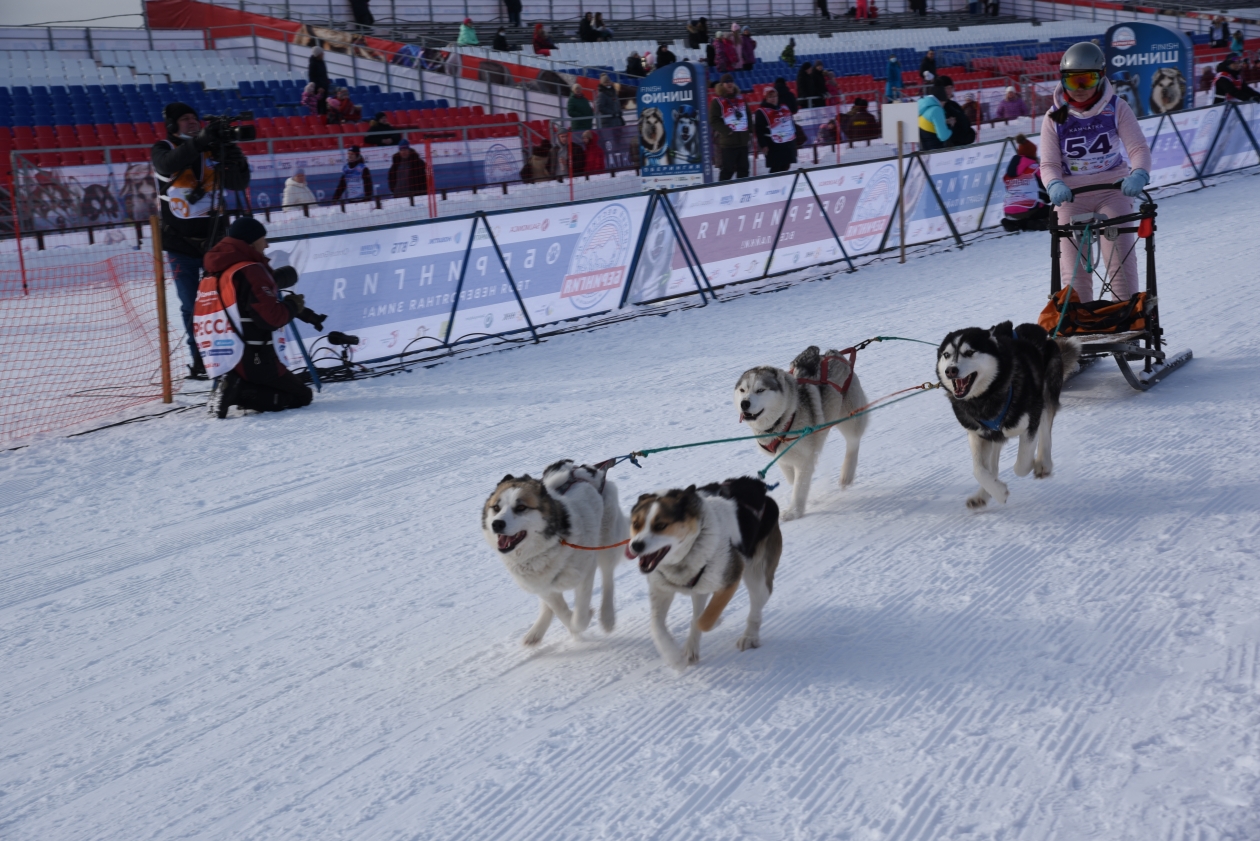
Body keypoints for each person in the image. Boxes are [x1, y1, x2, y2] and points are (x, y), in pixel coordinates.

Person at [1040, 42, 1153, 302]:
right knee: (1073, 267)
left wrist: (1138, 174)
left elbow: (1138, 148)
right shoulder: (1055, 116)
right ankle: (1079, 323)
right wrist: (1054, 184)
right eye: (1072, 81)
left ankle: (1125, 317)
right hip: (1072, 193)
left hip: (1112, 188)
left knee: (1119, 259)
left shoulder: (1116, 107)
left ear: (1101, 77)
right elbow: (1048, 164)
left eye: (1087, 80)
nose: (1079, 89)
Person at [152, 102, 250, 380]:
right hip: (179, 243)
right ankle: (198, 359)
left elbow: (238, 183)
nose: (192, 122)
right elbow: (167, 165)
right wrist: (201, 141)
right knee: (190, 304)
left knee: (223, 300)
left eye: (195, 118)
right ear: (172, 126)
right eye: (184, 119)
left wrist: (236, 157)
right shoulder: (163, 148)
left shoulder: (211, 148)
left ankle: (225, 356)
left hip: (216, 241)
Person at [202, 217, 314, 417]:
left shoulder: (213, 271)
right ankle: (238, 393)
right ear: (251, 242)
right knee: (302, 396)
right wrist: (292, 306)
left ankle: (232, 385)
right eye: (264, 239)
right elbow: (270, 318)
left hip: (221, 355)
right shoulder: (251, 270)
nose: (267, 244)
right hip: (254, 356)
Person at [1001, 133, 1049, 232]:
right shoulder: (1035, 169)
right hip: (1030, 208)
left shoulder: (1008, 173)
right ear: (1032, 154)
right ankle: (1029, 224)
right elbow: (1047, 186)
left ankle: (1012, 222)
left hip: (1008, 210)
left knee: (1023, 209)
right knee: (1055, 211)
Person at [709, 73, 751, 181]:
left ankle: (742, 193)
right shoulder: (717, 102)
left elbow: (748, 115)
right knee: (728, 170)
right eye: (726, 82)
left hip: (742, 141)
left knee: (744, 170)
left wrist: (750, 131)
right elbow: (713, 120)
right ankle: (723, 193)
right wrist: (727, 131)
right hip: (728, 143)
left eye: (731, 81)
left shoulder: (741, 99)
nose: (729, 84)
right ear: (722, 85)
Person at [754, 86, 799, 173]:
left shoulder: (784, 107)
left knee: (786, 165)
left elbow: (791, 123)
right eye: (770, 97)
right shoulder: (761, 111)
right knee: (776, 167)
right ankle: (774, 184)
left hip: (787, 142)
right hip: (773, 144)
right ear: (766, 98)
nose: (773, 99)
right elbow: (759, 130)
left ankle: (783, 184)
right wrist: (763, 145)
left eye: (775, 96)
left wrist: (794, 136)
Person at [936, 77, 975, 146]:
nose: (948, 91)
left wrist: (969, 135)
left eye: (950, 87)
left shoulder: (954, 105)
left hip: (962, 146)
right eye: (945, 88)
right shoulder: (938, 108)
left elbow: (966, 124)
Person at [916, 78, 953, 149]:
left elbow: (930, 125)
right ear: (941, 100)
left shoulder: (922, 107)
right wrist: (950, 127)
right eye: (943, 103)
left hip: (924, 150)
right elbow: (943, 136)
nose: (943, 106)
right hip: (935, 151)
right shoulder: (936, 110)